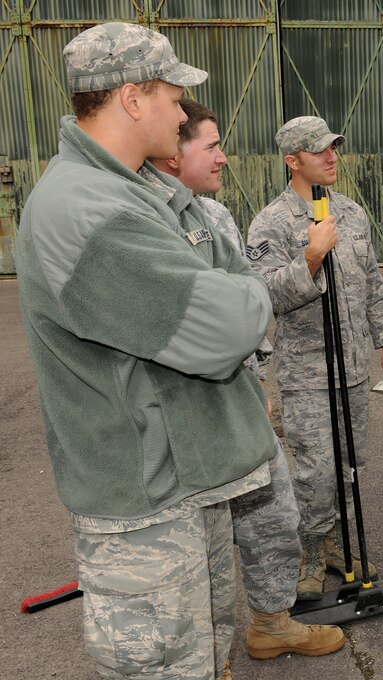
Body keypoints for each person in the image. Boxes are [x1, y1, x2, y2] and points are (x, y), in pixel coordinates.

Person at [16, 23, 274, 679]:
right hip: (145, 515)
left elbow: (219, 269)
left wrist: (230, 286)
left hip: (183, 484)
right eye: (170, 95)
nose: (181, 112)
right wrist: (244, 293)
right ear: (132, 99)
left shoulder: (133, 188)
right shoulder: (87, 208)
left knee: (209, 658)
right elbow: (229, 328)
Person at [151, 99, 344, 660]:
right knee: (202, 545)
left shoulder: (215, 217)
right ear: (172, 150)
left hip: (238, 392)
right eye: (210, 146)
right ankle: (209, 660)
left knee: (274, 516)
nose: (223, 158)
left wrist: (256, 380)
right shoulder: (144, 216)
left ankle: (271, 621)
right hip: (188, 405)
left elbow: (248, 302)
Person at [246, 116, 383, 601]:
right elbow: (263, 295)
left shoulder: (351, 213)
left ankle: (339, 544)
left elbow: (373, 283)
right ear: (292, 160)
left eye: (334, 147)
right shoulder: (271, 222)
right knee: (315, 470)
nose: (331, 157)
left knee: (349, 464)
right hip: (307, 372)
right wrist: (311, 257)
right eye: (319, 151)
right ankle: (311, 553)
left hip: (352, 367)